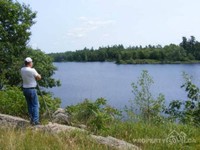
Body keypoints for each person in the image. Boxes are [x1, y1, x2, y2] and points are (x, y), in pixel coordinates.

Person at [21, 57, 41, 125]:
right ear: (30, 63)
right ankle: (36, 121)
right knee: (35, 105)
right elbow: (39, 77)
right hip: (32, 89)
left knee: (29, 105)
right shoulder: (32, 70)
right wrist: (38, 75)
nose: (32, 63)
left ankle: (31, 119)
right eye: (32, 62)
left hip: (25, 89)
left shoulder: (22, 69)